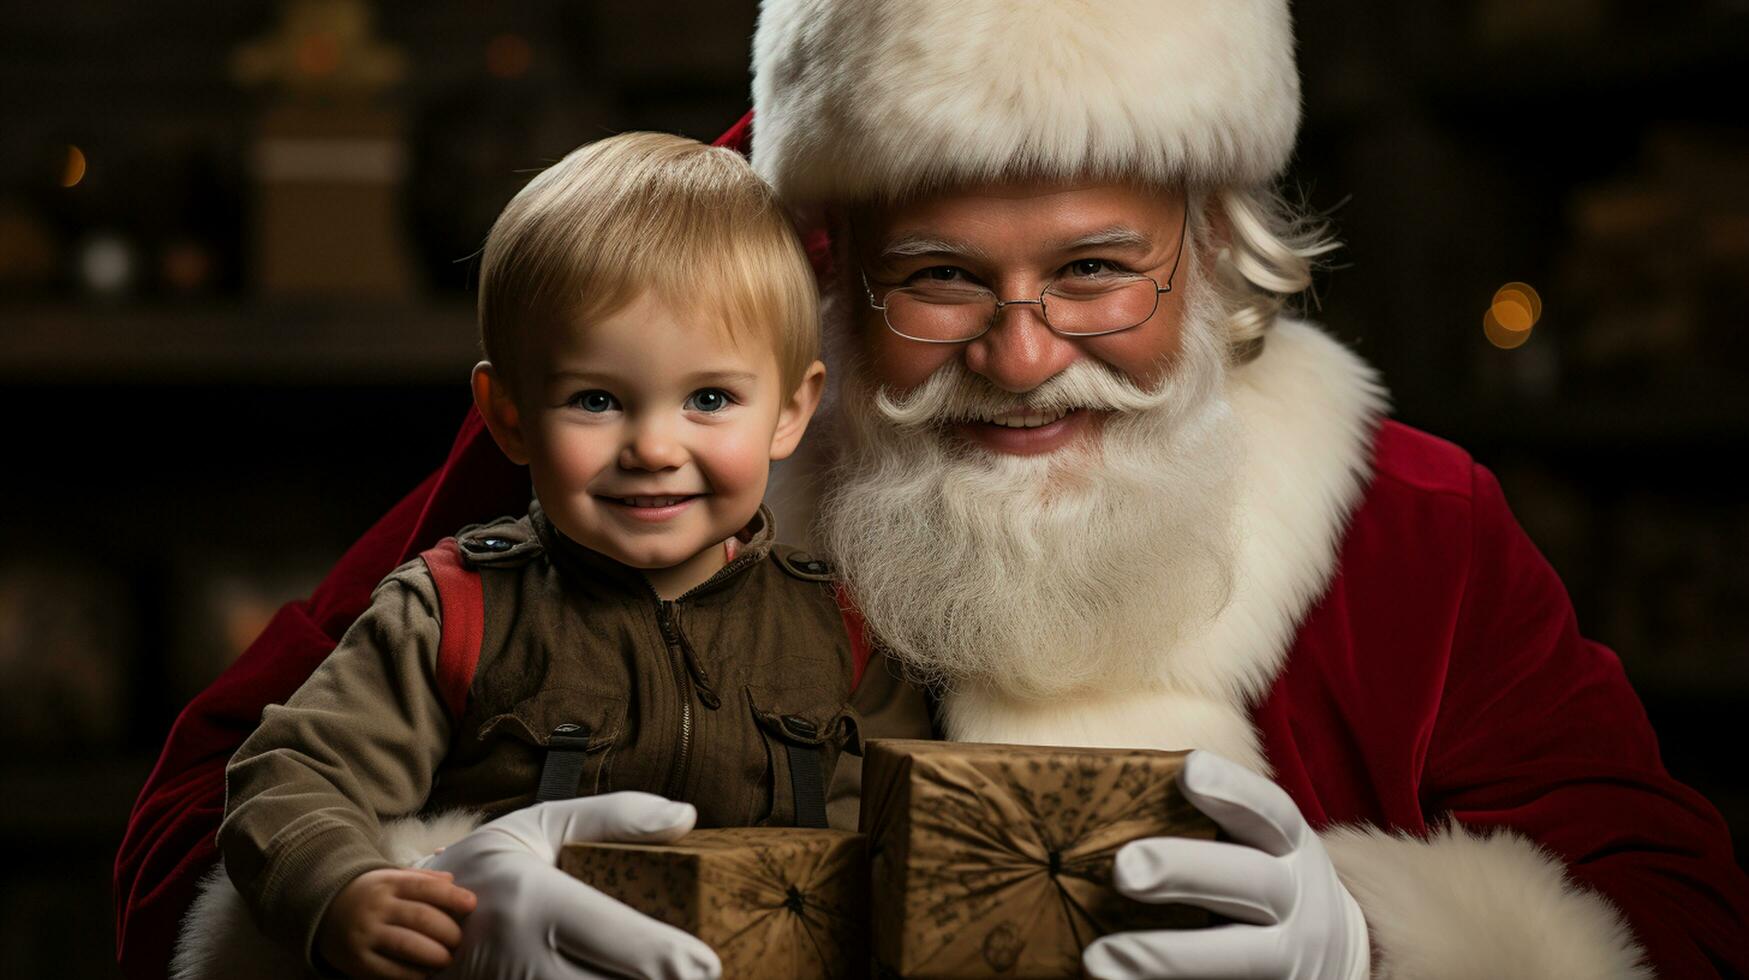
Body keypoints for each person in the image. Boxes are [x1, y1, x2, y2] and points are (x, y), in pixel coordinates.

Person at [118, 2, 1749, 978]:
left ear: (1215, 256)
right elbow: (183, 848)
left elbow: (1679, 914)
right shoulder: (646, 471)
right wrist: (405, 914)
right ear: (823, 275)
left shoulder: (1411, 529)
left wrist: (1388, 948)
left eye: (1099, 271)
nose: (1027, 358)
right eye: (940, 281)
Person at [177, 130, 884, 980]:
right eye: (595, 400)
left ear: (790, 410)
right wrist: (343, 890)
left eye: (709, 398)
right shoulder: (454, 613)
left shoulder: (838, 630)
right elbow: (291, 774)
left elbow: (894, 842)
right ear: (507, 415)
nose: (653, 447)